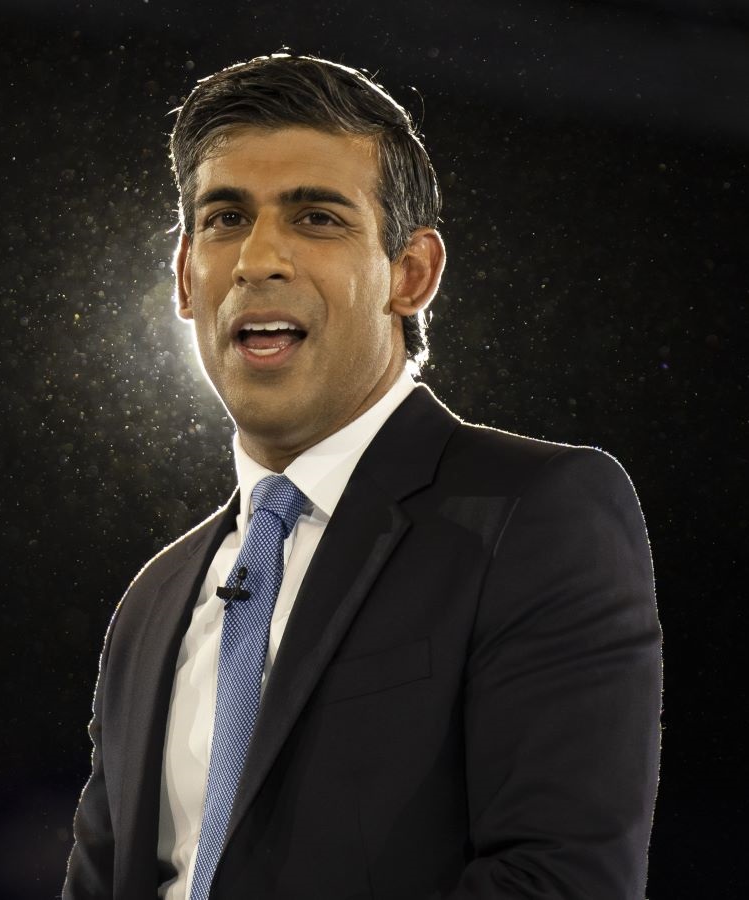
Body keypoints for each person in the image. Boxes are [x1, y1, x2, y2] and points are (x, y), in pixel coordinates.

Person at [63, 53, 661, 899]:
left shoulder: (531, 516)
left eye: (315, 218)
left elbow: (561, 882)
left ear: (411, 274)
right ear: (185, 279)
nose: (258, 258)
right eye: (227, 217)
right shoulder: (153, 602)